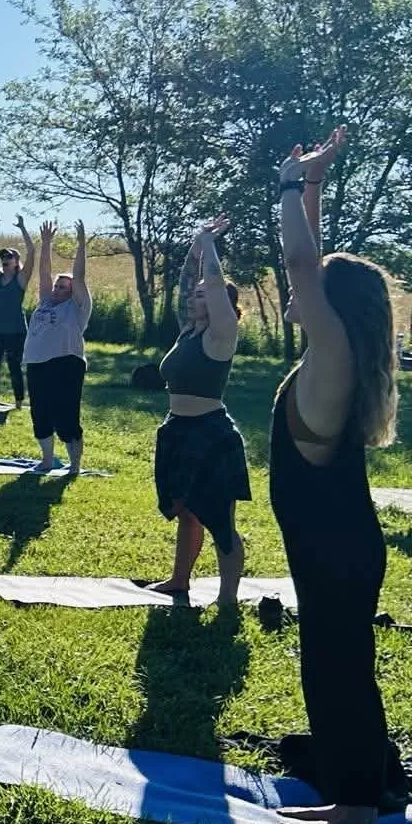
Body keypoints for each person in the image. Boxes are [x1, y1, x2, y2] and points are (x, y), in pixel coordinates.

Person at [270, 128, 396, 824]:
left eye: (314, 287)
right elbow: (307, 266)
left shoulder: (334, 358)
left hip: (337, 552)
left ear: (331, 305)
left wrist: (289, 182)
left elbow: (300, 263)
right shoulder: (335, 354)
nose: (298, 288)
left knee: (338, 672)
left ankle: (356, 813)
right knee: (336, 669)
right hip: (339, 547)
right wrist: (312, 188)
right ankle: (353, 801)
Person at [149, 218, 248, 605]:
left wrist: (209, 246)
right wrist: (196, 242)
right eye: (196, 296)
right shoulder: (187, 330)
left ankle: (227, 599)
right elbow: (186, 282)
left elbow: (213, 284)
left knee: (219, 520)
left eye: (204, 296)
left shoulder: (221, 335)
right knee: (187, 512)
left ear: (223, 305)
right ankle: (179, 581)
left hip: (211, 435)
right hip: (177, 430)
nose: (194, 298)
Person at [23, 220, 92, 474]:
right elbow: (44, 272)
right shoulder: (45, 301)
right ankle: (47, 460)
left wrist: (81, 245)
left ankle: (75, 465)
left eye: (62, 287)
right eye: (56, 285)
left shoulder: (77, 308)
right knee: (40, 414)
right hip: (37, 362)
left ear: (73, 292)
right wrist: (46, 243)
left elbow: (79, 276)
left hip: (66, 363)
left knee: (66, 416)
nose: (56, 289)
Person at [0, 211, 35, 409]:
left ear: (16, 262)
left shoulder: (21, 279)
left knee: (14, 367)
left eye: (9, 257)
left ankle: (19, 403)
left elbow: (32, 253)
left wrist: (23, 229)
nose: (4, 259)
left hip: (15, 331)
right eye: (3, 257)